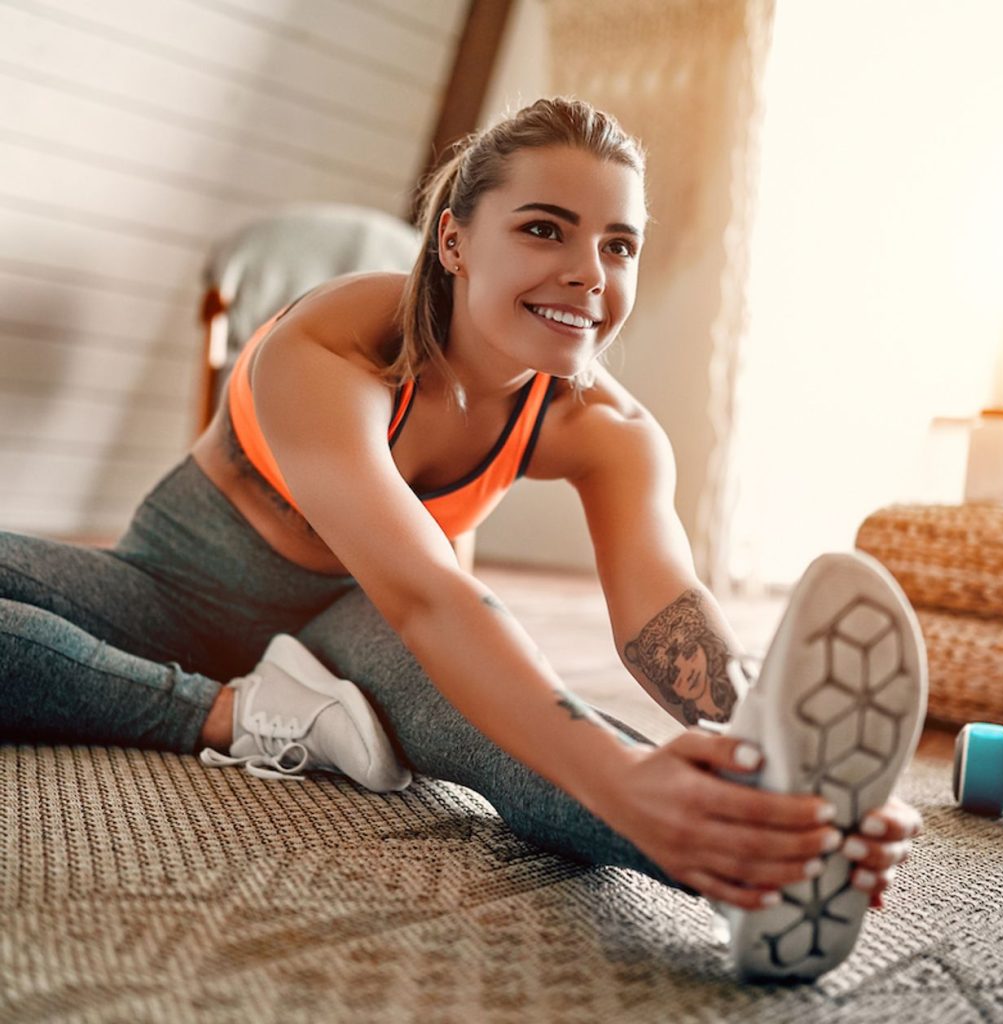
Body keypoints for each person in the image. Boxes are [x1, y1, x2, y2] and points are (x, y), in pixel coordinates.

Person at [0, 97, 922, 981]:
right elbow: (432, 593)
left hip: (353, 625)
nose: (589, 273)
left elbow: (660, 614)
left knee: (519, 729)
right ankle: (232, 714)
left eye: (619, 244)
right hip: (169, 588)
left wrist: (763, 756)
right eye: (544, 228)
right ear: (453, 241)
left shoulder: (612, 430)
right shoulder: (331, 345)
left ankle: (752, 869)